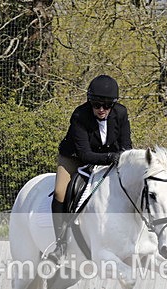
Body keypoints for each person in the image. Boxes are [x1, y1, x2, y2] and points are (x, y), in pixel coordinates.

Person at [48, 74, 133, 263]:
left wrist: (123, 159)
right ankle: (60, 243)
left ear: (113, 105)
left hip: (108, 157)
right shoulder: (80, 115)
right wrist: (112, 157)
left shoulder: (121, 113)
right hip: (74, 157)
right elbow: (85, 155)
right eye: (96, 105)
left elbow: (126, 146)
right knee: (60, 192)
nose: (101, 110)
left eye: (107, 106)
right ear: (89, 102)